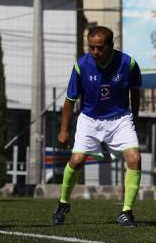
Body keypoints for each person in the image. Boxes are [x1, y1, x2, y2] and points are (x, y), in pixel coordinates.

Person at [52, 26, 142, 227]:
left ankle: (126, 212)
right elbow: (69, 100)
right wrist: (64, 129)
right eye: (91, 47)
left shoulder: (128, 63)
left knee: (135, 158)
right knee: (76, 160)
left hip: (120, 119)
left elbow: (135, 93)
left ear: (111, 46)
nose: (95, 52)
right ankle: (63, 202)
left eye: (99, 48)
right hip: (90, 119)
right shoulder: (81, 65)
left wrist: (134, 119)